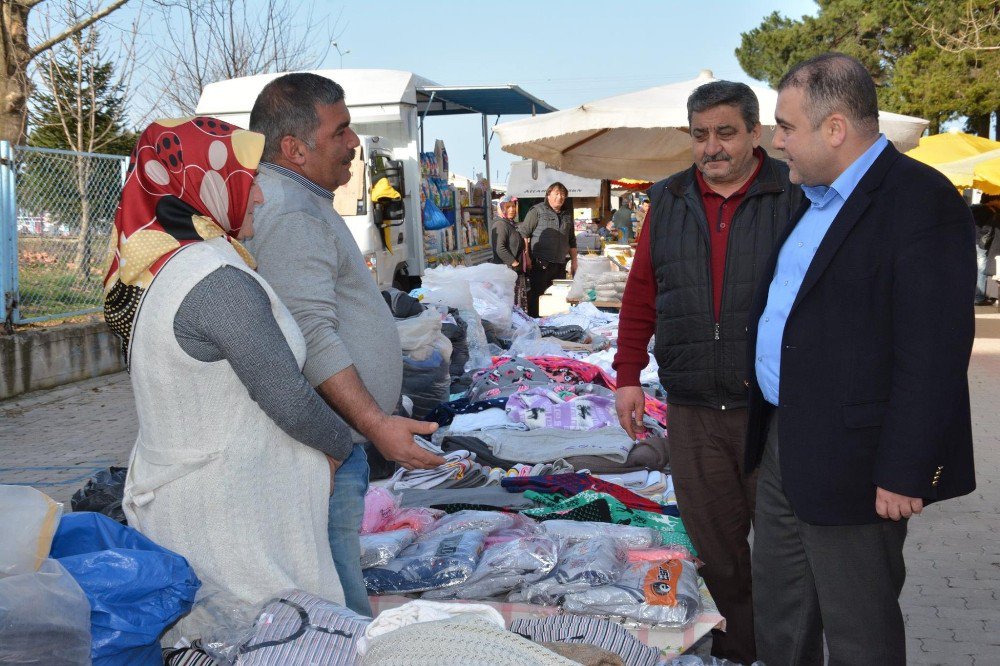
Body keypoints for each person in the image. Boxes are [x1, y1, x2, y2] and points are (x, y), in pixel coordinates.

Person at [746, 53, 976, 665]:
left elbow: (934, 353)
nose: (775, 141)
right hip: (784, 438)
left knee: (859, 630)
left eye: (786, 127)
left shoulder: (920, 202)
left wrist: (907, 470)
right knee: (780, 611)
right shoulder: (813, 198)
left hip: (859, 458)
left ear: (836, 128)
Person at [106, 118, 353, 622]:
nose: (259, 197)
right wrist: (341, 448)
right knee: (261, 639)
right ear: (205, 183)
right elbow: (285, 395)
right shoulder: (214, 280)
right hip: (225, 524)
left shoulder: (174, 264)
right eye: (249, 180)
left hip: (213, 510)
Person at [613, 80, 802, 664]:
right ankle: (739, 653)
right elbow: (643, 289)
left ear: (756, 134)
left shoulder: (795, 195)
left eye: (725, 133)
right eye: (700, 135)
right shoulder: (668, 199)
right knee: (718, 555)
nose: (711, 147)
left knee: (784, 557)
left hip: (773, 411)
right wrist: (626, 373)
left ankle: (789, 655)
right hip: (694, 409)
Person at [245, 73, 445, 617]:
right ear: (295, 148)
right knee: (340, 610)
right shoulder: (288, 210)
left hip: (334, 444)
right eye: (341, 130)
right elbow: (307, 336)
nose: (354, 142)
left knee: (341, 598)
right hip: (325, 448)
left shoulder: (305, 202)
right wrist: (375, 424)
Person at [519, 181, 577, 317]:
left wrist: (574, 261)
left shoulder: (567, 215)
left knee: (558, 297)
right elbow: (524, 234)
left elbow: (572, 240)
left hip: (560, 263)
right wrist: (526, 256)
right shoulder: (537, 211)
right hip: (540, 263)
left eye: (563, 194)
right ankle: (534, 324)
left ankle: (555, 324)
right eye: (556, 193)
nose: (560, 197)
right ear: (548, 195)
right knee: (539, 296)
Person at [490, 194, 529, 310]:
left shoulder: (511, 224)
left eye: (513, 206)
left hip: (515, 272)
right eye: (507, 207)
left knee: (517, 305)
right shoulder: (500, 224)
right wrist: (514, 263)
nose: (512, 210)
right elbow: (499, 248)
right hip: (507, 272)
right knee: (511, 305)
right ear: (501, 208)